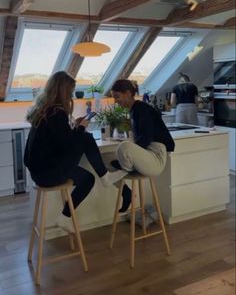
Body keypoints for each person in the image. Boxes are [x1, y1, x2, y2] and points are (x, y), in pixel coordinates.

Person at [24, 71, 127, 233]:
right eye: (70, 92)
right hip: (48, 173)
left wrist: (74, 128)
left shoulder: (44, 110)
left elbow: (58, 141)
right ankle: (105, 176)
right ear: (63, 91)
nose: (71, 95)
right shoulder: (57, 112)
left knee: (87, 179)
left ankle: (65, 217)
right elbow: (68, 146)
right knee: (85, 138)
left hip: (40, 173)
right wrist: (80, 128)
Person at [110, 79, 175, 212]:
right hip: (148, 155)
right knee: (105, 163)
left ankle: (127, 168)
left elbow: (145, 139)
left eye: (117, 97)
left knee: (124, 147)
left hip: (156, 157)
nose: (116, 101)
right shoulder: (134, 110)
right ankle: (126, 189)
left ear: (128, 93)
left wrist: (129, 150)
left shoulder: (142, 109)